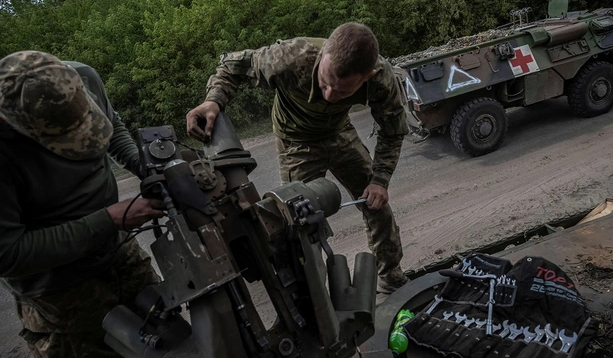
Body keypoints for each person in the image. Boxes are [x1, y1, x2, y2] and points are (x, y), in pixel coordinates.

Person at [186, 22, 409, 293]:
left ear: (368, 76)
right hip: (296, 143)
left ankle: (391, 277)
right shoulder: (291, 57)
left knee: (376, 204)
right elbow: (232, 66)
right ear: (324, 52)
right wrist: (214, 100)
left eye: (342, 92)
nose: (329, 95)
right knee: (299, 224)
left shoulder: (381, 79)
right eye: (325, 83)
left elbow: (393, 131)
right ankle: (315, 300)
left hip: (339, 133)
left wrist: (380, 180)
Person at [0, 50, 164, 357]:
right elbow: (8, 253)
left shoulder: (80, 78)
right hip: (61, 294)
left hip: (120, 256)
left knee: (167, 337)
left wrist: (146, 167)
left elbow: (112, 130)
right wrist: (109, 220)